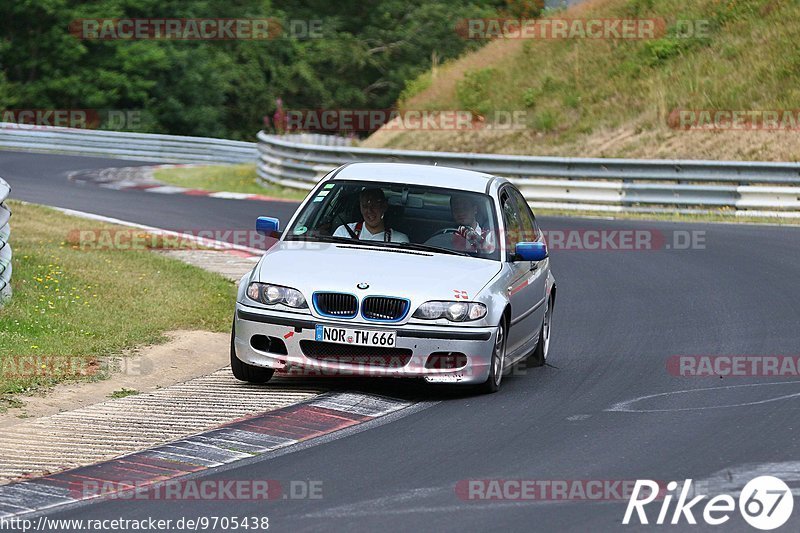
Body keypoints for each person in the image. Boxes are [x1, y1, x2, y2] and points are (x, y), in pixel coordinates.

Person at [333, 188, 409, 243]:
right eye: (365, 206)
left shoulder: (399, 240)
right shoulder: (343, 233)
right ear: (360, 208)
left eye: (374, 206)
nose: (369, 211)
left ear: (384, 207)